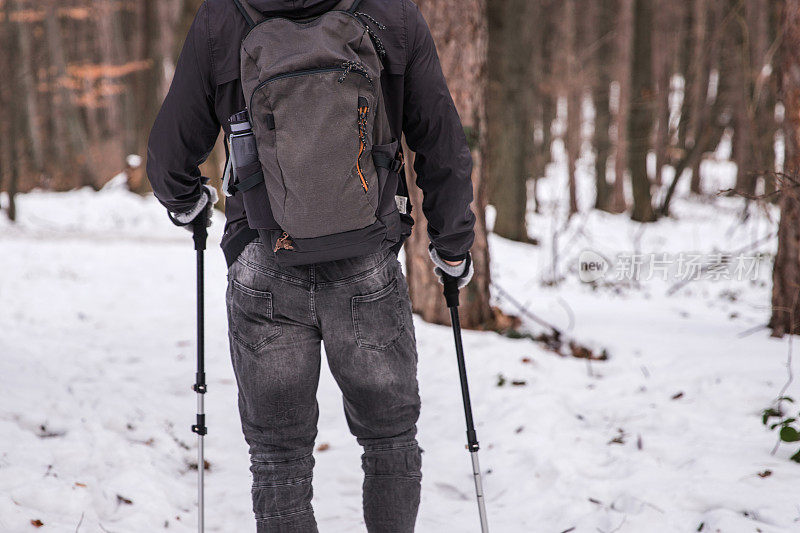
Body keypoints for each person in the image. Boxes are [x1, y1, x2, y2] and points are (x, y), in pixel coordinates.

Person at [147, 0, 475, 531]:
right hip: (366, 260)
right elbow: (440, 141)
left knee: (278, 457)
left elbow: (168, 154)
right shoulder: (392, 14)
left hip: (263, 262)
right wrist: (453, 242)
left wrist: (187, 203)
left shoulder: (222, 19)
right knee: (389, 438)